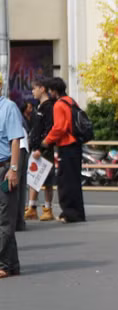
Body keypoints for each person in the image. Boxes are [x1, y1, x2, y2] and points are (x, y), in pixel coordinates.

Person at [42, 77, 85, 223]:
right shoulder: (71, 101)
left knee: (65, 182)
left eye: (50, 91)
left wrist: (47, 141)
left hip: (66, 146)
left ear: (54, 91)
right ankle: (78, 212)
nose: (49, 93)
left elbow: (60, 127)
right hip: (76, 145)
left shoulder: (59, 105)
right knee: (75, 181)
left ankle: (69, 213)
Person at [0, 84, 24, 279]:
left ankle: (4, 264)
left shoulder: (8, 107)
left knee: (5, 218)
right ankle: (12, 264)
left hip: (4, 168)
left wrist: (13, 169)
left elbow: (15, 140)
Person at [26, 79, 56, 221]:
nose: (33, 92)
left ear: (42, 89)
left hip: (45, 150)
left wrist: (42, 148)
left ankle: (48, 208)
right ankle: (32, 208)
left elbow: (49, 129)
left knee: (47, 180)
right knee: (33, 179)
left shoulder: (49, 107)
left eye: (34, 89)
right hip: (35, 148)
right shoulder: (38, 106)